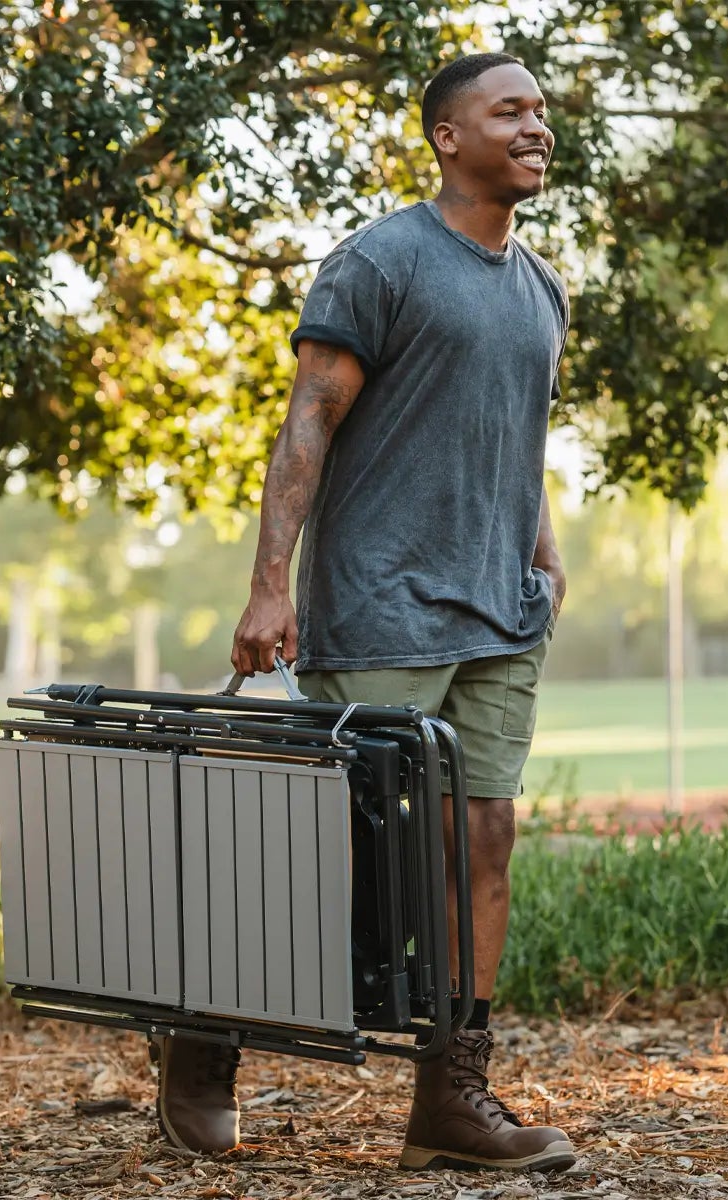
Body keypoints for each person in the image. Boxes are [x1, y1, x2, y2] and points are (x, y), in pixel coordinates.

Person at [169, 53, 575, 1173]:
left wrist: (543, 553)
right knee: (338, 855)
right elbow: (309, 425)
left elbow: (517, 439)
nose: (538, 128)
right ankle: (207, 1039)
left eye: (542, 111)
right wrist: (269, 584)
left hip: (501, 615)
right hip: (384, 609)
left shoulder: (542, 287)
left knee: (482, 840)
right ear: (450, 137)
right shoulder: (380, 261)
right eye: (512, 111)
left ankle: (451, 1097)